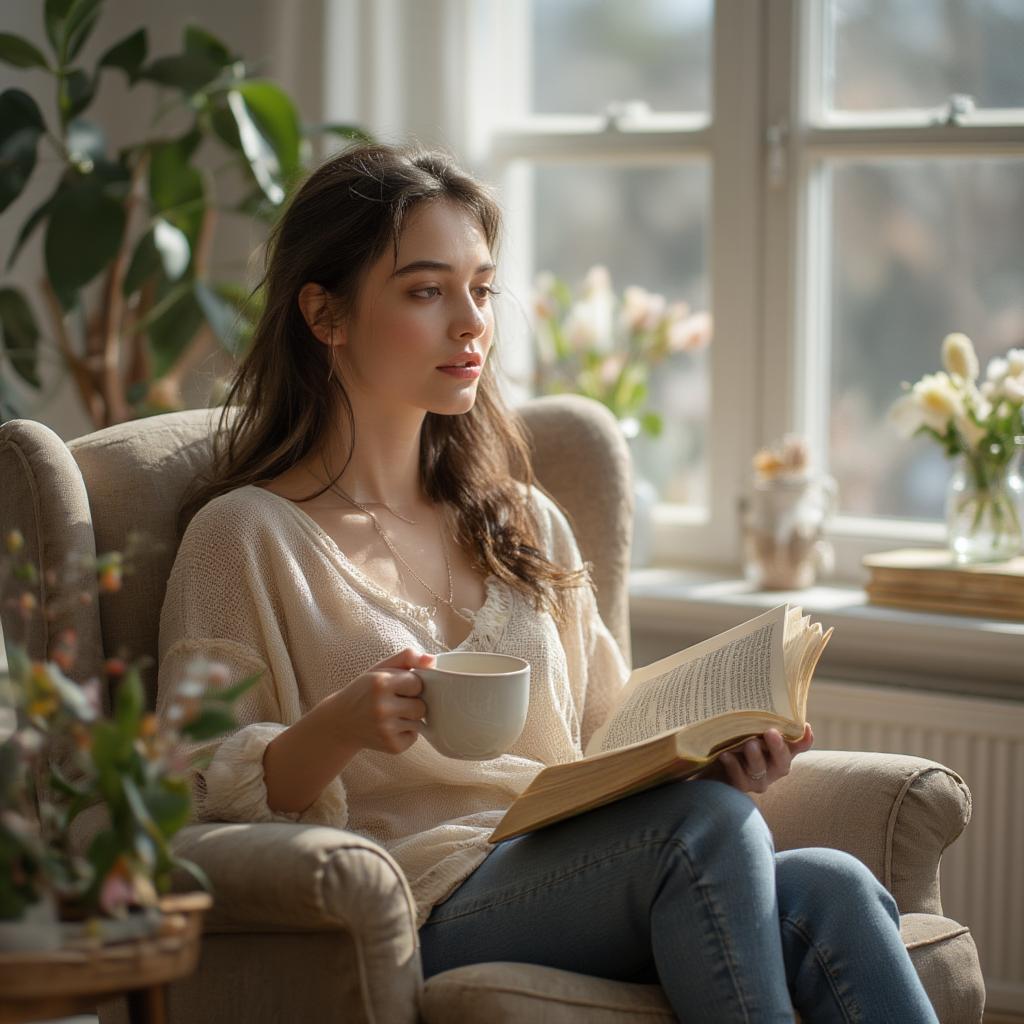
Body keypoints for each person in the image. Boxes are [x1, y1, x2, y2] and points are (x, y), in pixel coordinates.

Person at [156, 141, 938, 1023]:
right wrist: (338, 728)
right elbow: (180, 795)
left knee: (833, 884)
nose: (472, 323)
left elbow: (608, 738)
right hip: (424, 902)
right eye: (426, 290)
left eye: (481, 289)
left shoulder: (523, 522)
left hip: (574, 861)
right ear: (324, 313)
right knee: (706, 838)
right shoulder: (245, 537)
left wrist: (714, 760)